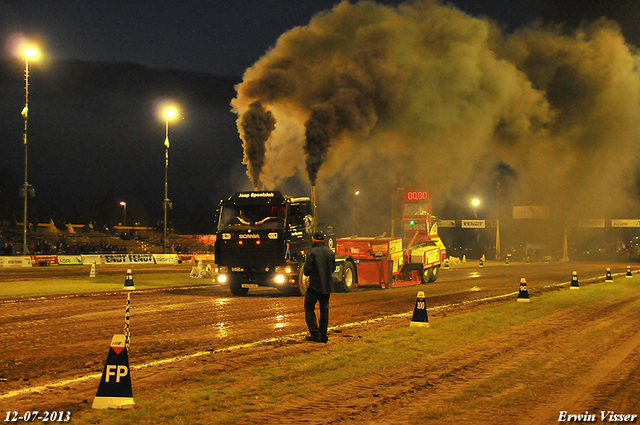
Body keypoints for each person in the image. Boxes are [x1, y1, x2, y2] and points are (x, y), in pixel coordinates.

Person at [303, 231, 336, 343]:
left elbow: (307, 272)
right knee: (324, 310)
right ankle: (323, 335)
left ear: (313, 239)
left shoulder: (311, 252)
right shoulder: (330, 252)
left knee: (309, 308)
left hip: (314, 286)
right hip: (326, 286)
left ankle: (315, 334)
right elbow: (332, 269)